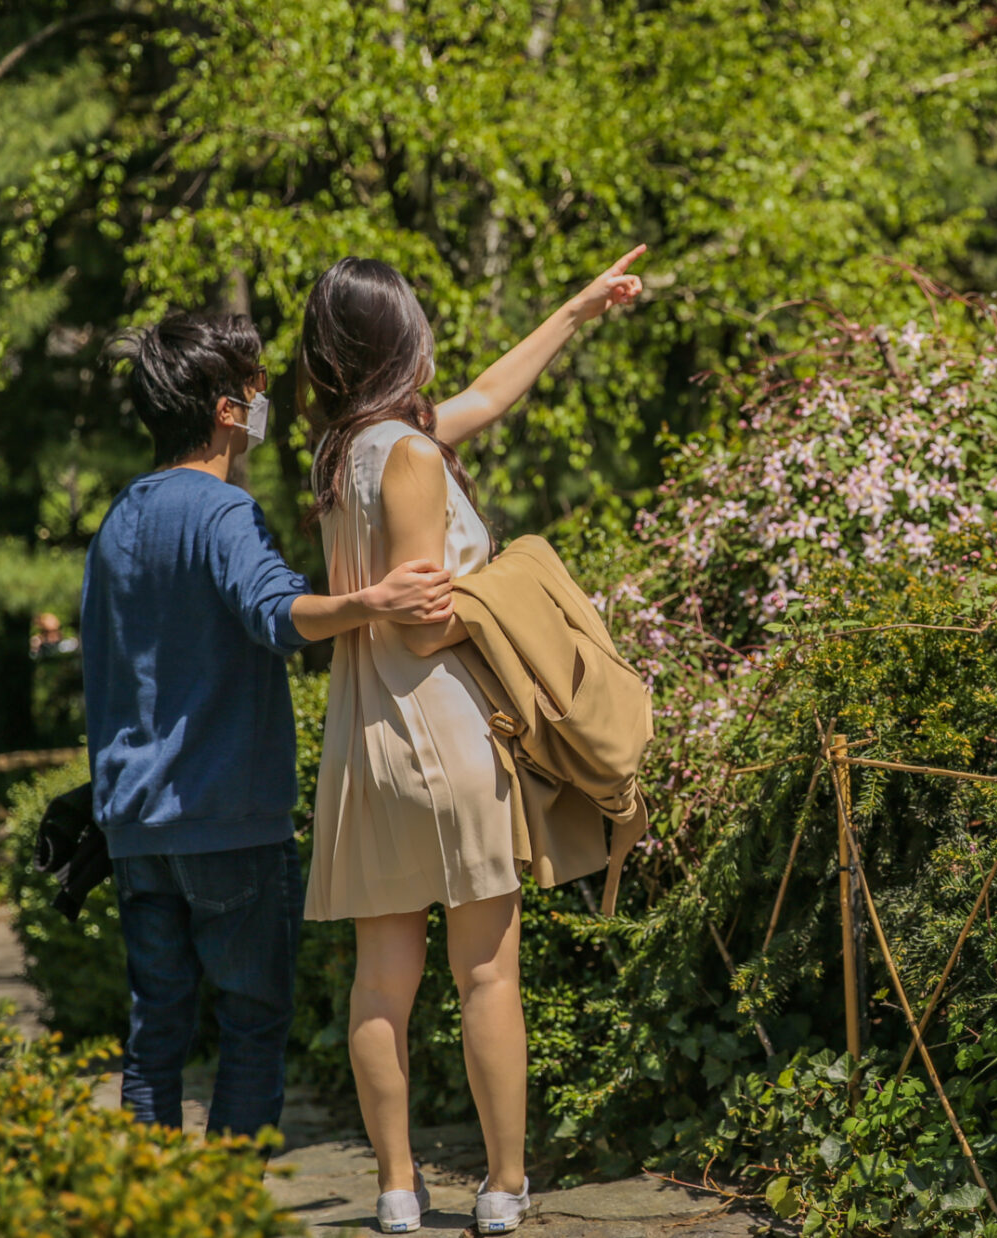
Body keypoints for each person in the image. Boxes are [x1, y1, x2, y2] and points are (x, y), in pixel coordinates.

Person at [298, 247, 643, 1235]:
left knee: (381, 979)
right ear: (401, 335)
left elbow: (490, 394)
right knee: (486, 970)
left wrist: (575, 311)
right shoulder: (410, 455)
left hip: (366, 745)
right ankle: (501, 1183)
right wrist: (512, 589)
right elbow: (423, 620)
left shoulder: (344, 454)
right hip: (442, 733)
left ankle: (396, 1188)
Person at [85, 312, 455, 1141]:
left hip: (135, 832)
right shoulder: (224, 514)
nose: (265, 397)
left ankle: (150, 1213)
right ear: (225, 409)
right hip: (230, 822)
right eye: (253, 384)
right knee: (251, 1027)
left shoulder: (117, 523)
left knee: (156, 1040)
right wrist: (372, 601)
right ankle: (227, 1208)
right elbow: (276, 612)